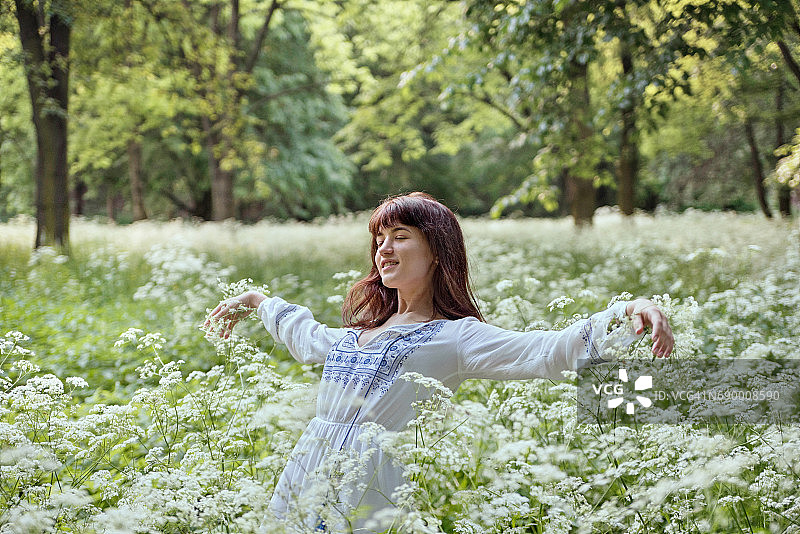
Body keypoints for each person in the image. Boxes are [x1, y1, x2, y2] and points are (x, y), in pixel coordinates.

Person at [204, 192, 673, 531]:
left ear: (436, 253)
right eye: (380, 238)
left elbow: (545, 351)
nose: (383, 249)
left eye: (400, 236)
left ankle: (739, 394)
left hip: (370, 486)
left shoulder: (454, 336)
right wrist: (258, 300)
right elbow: (305, 338)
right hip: (305, 471)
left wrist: (628, 310)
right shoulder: (356, 336)